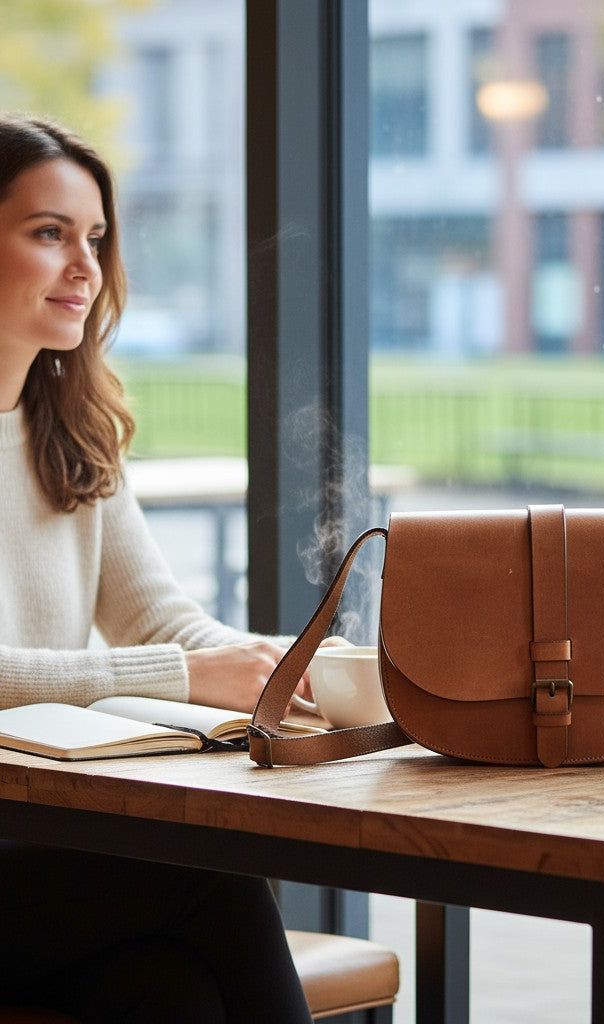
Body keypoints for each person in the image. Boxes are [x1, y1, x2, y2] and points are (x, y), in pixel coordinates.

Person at [0, 113, 316, 1022]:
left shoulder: (69, 429)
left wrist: (286, 670)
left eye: (95, 238)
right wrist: (188, 675)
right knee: (212, 880)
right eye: (49, 233)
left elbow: (160, 620)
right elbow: (168, 660)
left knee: (168, 997)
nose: (85, 268)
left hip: (35, 848)